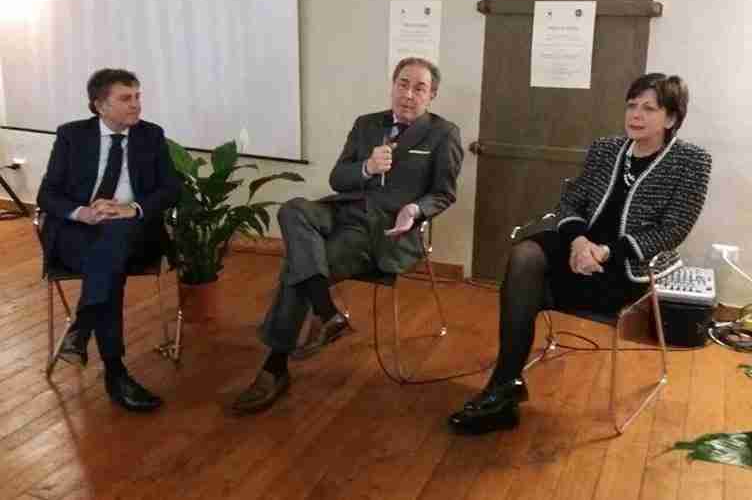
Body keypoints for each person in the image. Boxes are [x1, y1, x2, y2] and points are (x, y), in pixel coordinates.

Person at [448, 73, 712, 434]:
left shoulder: (692, 162)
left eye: (649, 108)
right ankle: (504, 385)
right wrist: (578, 242)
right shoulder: (605, 149)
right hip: (582, 245)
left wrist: (604, 252)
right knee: (525, 256)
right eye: (631, 105)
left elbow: (672, 231)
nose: (636, 115)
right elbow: (571, 202)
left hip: (627, 266)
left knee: (527, 289)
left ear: (671, 118)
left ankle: (503, 389)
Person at [232, 57, 464, 415]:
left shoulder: (442, 133)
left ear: (431, 95)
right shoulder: (366, 124)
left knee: (300, 267)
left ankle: (276, 366)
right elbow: (338, 178)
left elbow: (443, 193)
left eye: (419, 88)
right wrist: (367, 167)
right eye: (403, 84)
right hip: (341, 210)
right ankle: (326, 313)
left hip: (382, 229)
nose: (408, 94)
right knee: (293, 209)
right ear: (393, 86)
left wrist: (415, 210)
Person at [37, 68, 180, 412]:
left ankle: (85, 331)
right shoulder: (72, 136)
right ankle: (114, 374)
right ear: (100, 105)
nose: (136, 105)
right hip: (78, 235)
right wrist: (82, 213)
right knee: (108, 270)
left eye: (137, 96)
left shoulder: (150, 135)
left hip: (134, 235)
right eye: (126, 98)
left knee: (114, 241)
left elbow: (172, 189)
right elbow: (47, 194)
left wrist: (133, 209)